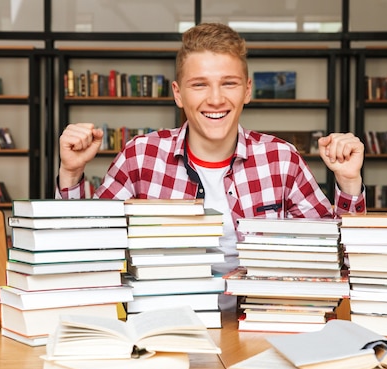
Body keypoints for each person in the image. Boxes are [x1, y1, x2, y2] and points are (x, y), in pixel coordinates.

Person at [56, 22, 366, 287]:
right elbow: (85, 256)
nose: (215, 99)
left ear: (247, 90)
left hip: (260, 328)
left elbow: (339, 261)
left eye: (228, 84)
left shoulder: (281, 160)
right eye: (199, 85)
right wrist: (70, 173)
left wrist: (349, 182)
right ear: (178, 94)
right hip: (164, 327)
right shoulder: (140, 156)